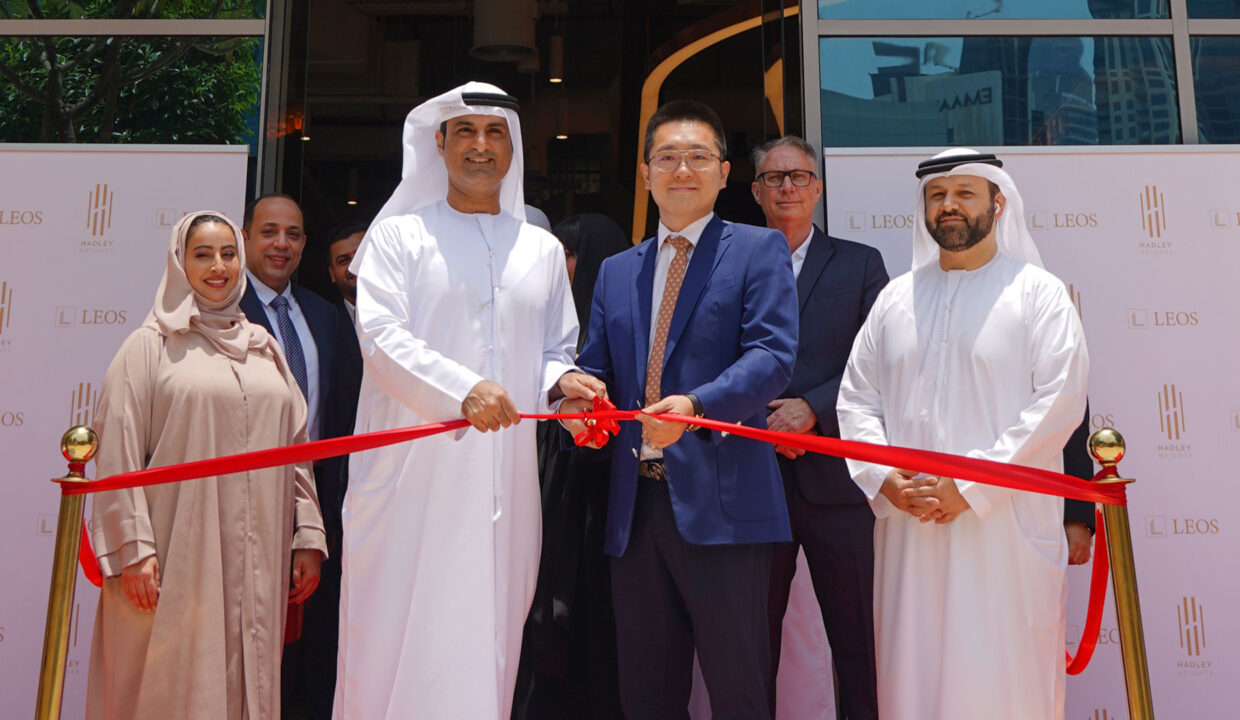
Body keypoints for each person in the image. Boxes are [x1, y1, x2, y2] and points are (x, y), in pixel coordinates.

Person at [334, 82, 604, 719]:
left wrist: (564, 388)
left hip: (506, 480)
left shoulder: (540, 249)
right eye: (466, 131)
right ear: (440, 143)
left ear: (512, 147)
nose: (480, 146)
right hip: (411, 476)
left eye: (494, 133)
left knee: (490, 631)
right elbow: (380, 337)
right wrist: (462, 389)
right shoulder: (397, 237)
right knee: (398, 631)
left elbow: (553, 349)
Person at [837, 148, 1089, 719]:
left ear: (998, 204)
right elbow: (857, 398)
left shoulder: (1039, 293)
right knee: (912, 677)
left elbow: (1058, 402)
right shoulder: (895, 299)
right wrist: (885, 477)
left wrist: (970, 487)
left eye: (964, 193)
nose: (948, 205)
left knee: (1002, 682)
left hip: (1004, 530)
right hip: (909, 529)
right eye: (937, 195)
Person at [572, 99, 799, 719]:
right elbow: (595, 367)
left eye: (698, 157)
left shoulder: (758, 249)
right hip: (635, 510)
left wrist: (697, 406)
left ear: (724, 173)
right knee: (646, 694)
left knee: (739, 690)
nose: (682, 169)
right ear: (646, 173)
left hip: (726, 505)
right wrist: (575, 399)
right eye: (667, 157)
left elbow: (772, 356)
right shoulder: (616, 271)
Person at [86, 211, 327, 720]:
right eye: (202, 255)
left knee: (247, 669)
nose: (218, 266)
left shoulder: (264, 348)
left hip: (260, 552)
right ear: (180, 262)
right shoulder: (150, 346)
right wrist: (134, 549)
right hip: (175, 550)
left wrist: (306, 534)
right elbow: (117, 451)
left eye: (228, 254)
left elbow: (296, 447)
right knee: (172, 679)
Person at [749, 135, 885, 720]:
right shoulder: (731, 261)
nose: (787, 187)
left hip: (837, 482)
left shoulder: (859, 263)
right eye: (773, 178)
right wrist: (762, 418)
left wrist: (812, 409)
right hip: (755, 478)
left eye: (799, 176)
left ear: (818, 188)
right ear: (756, 191)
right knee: (750, 647)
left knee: (859, 643)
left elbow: (877, 359)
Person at [237, 194, 354, 720]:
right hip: (248, 499)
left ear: (305, 245)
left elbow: (345, 408)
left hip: (322, 500)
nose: (280, 244)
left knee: (318, 642)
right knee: (255, 644)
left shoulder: (325, 316)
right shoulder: (220, 310)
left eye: (292, 234)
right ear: (245, 238)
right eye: (269, 232)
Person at [513, 214, 631, 720]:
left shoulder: (623, 319)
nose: (557, 264)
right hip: (547, 490)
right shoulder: (537, 321)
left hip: (603, 500)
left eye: (568, 253)